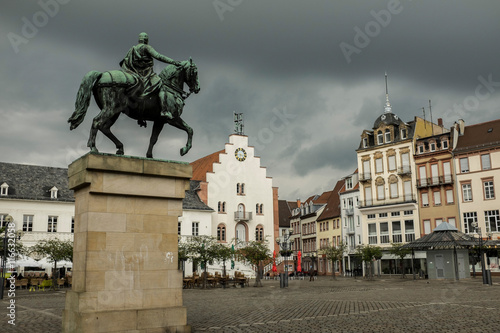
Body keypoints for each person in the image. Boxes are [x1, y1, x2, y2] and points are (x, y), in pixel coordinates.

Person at [120, 32, 182, 120]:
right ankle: (164, 110)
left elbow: (126, 61)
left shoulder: (133, 49)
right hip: (144, 73)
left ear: (139, 39)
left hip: (133, 72)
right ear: (146, 40)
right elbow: (158, 56)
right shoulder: (146, 47)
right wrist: (172, 62)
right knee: (161, 85)